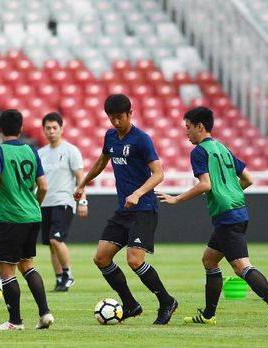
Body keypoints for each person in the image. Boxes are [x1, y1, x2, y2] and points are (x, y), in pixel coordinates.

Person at [156, 106, 268, 327]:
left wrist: (177, 199)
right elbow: (248, 179)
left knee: (241, 267)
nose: (186, 133)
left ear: (200, 127)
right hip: (236, 212)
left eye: (188, 128)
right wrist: (229, 193)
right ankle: (209, 315)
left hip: (228, 217)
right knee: (209, 260)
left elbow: (205, 184)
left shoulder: (199, 151)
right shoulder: (222, 148)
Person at [73, 94, 177, 325]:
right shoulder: (110, 136)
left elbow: (159, 173)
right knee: (101, 258)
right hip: (124, 210)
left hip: (144, 209)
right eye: (112, 118)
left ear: (130, 113)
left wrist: (139, 193)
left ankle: (166, 301)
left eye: (120, 117)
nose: (116, 122)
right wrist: (82, 183)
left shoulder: (141, 139)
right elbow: (101, 161)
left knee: (134, 261)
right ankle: (130, 304)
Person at [0, 109, 54, 331]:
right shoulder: (31, 150)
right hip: (32, 215)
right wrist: (33, 205)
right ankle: (45, 312)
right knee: (27, 265)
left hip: (12, 218)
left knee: (7, 270)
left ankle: (15, 321)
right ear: (20, 129)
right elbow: (44, 185)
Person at [38, 112, 87, 292]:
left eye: (54, 128)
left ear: (61, 129)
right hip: (44, 203)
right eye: (48, 128)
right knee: (51, 245)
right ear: (43, 130)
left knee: (56, 239)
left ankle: (68, 274)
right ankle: (59, 278)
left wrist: (83, 202)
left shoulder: (70, 151)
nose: (51, 131)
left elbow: (80, 178)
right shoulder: (40, 153)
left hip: (63, 201)